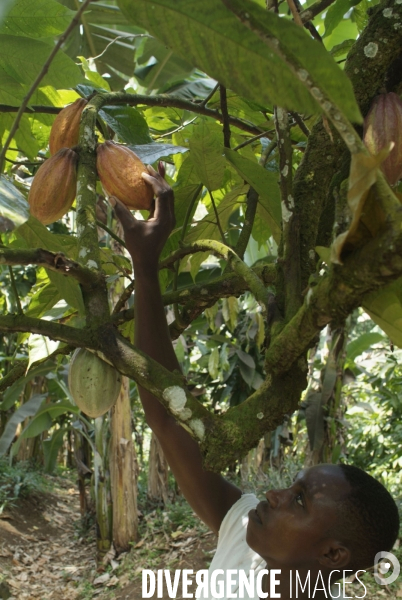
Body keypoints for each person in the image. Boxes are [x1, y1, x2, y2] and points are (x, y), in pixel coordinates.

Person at [109, 164, 400, 600]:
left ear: (334, 555)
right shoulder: (245, 537)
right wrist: (145, 267)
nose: (276, 493)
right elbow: (168, 421)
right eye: (294, 486)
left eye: (300, 500)